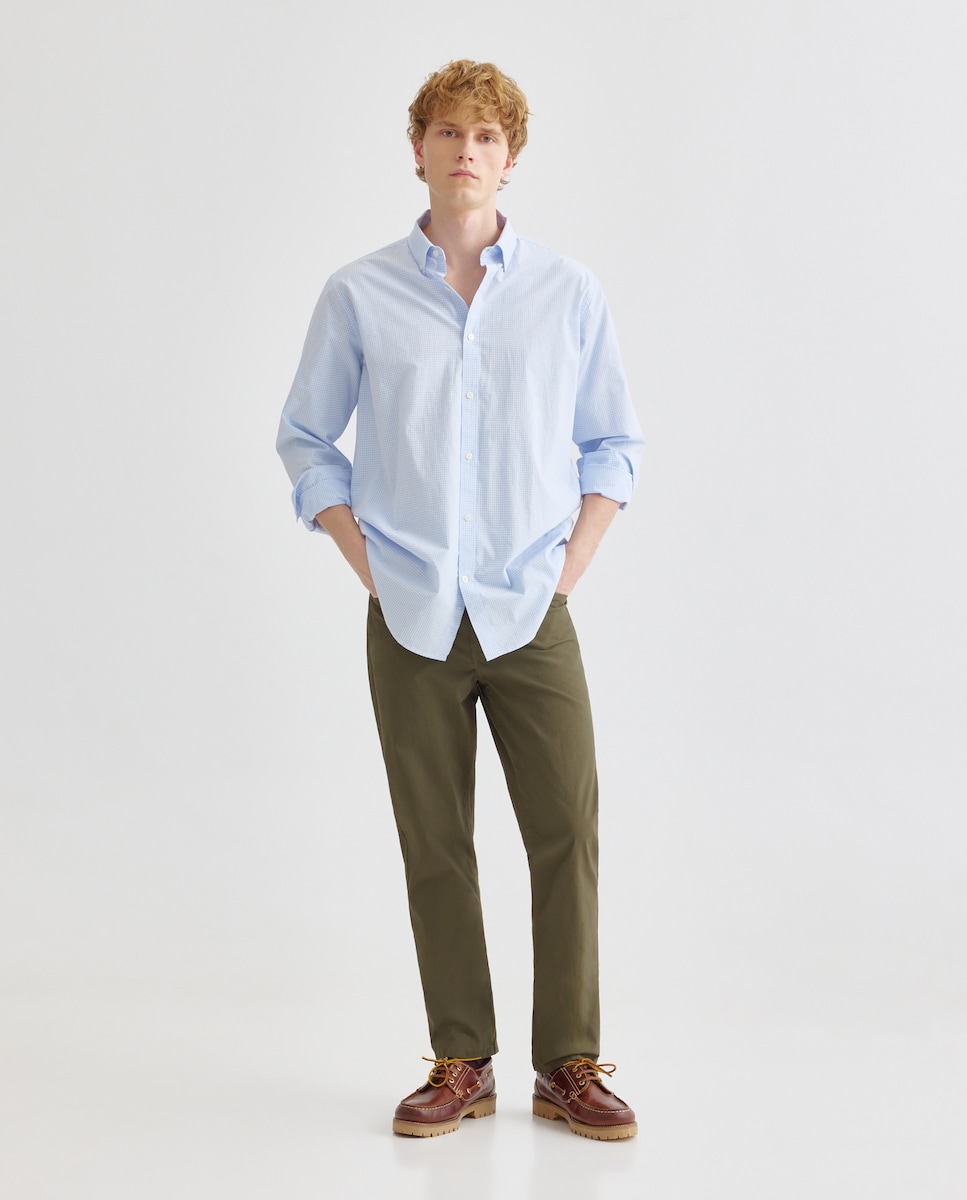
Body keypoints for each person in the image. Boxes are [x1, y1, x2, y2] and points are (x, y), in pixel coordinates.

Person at [276, 59, 644, 1141]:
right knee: (434, 840)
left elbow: (614, 442)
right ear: (419, 150)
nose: (466, 151)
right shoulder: (358, 293)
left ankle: (567, 1063)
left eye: (486, 136)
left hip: (531, 606)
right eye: (448, 132)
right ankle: (460, 1060)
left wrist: (569, 567)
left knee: (565, 830)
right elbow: (306, 438)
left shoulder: (567, 292)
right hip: (412, 613)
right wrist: (367, 562)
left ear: (509, 158)